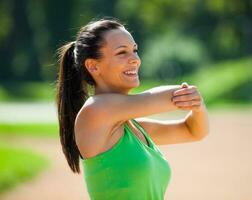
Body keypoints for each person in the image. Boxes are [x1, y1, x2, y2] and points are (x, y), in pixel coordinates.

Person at [56, 18, 209, 200]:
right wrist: (188, 94)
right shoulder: (96, 110)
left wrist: (197, 107)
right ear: (93, 66)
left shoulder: (133, 128)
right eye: (122, 53)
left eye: (135, 50)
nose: (135, 59)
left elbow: (193, 131)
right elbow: (160, 98)